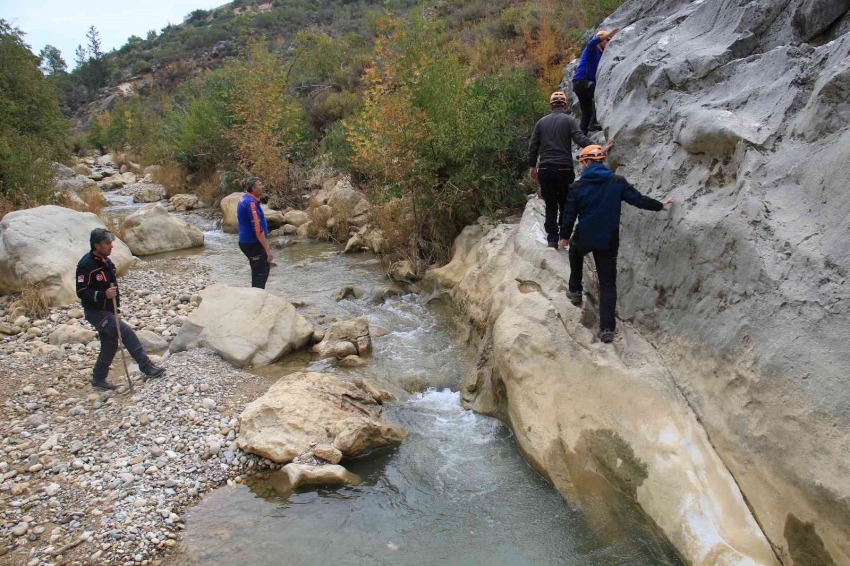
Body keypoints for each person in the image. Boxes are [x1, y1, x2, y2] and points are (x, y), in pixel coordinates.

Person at [558, 145, 673, 344]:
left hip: (584, 236)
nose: (581, 166)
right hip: (608, 240)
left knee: (575, 252)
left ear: (587, 162)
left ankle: (575, 290)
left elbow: (569, 215)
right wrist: (660, 205)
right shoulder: (616, 182)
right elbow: (638, 200)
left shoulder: (577, 187)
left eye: (582, 163)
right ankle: (607, 330)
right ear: (601, 161)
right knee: (608, 283)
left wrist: (564, 236)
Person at [76, 228, 165, 390]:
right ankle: (146, 366)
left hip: (108, 311)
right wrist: (103, 295)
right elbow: (81, 292)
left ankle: (98, 378)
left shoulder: (106, 262)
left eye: (111, 243)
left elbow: (112, 286)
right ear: (96, 245)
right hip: (96, 312)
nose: (111, 246)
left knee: (109, 344)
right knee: (126, 333)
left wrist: (115, 306)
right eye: (107, 243)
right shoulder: (86, 265)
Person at [528, 91, 610, 248]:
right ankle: (563, 239)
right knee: (565, 205)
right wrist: (600, 149)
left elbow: (533, 146)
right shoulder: (569, 120)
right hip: (564, 168)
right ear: (564, 105)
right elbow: (580, 139)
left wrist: (533, 166)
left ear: (551, 105)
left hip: (545, 168)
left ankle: (552, 239)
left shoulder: (541, 122)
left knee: (551, 205)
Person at [572, 28, 619, 135]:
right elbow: (591, 42)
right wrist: (607, 34)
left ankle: (581, 137)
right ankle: (593, 123)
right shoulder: (592, 48)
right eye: (607, 40)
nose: (608, 43)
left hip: (579, 83)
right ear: (601, 40)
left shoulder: (602, 55)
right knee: (601, 94)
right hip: (582, 81)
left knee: (587, 112)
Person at [237, 176, 274, 289]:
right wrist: (268, 250)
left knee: (262, 268)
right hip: (252, 243)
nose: (262, 187)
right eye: (260, 185)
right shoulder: (251, 203)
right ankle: (257, 299)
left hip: (247, 241)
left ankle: (257, 295)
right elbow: (258, 230)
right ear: (253, 188)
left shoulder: (245, 198)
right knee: (260, 272)